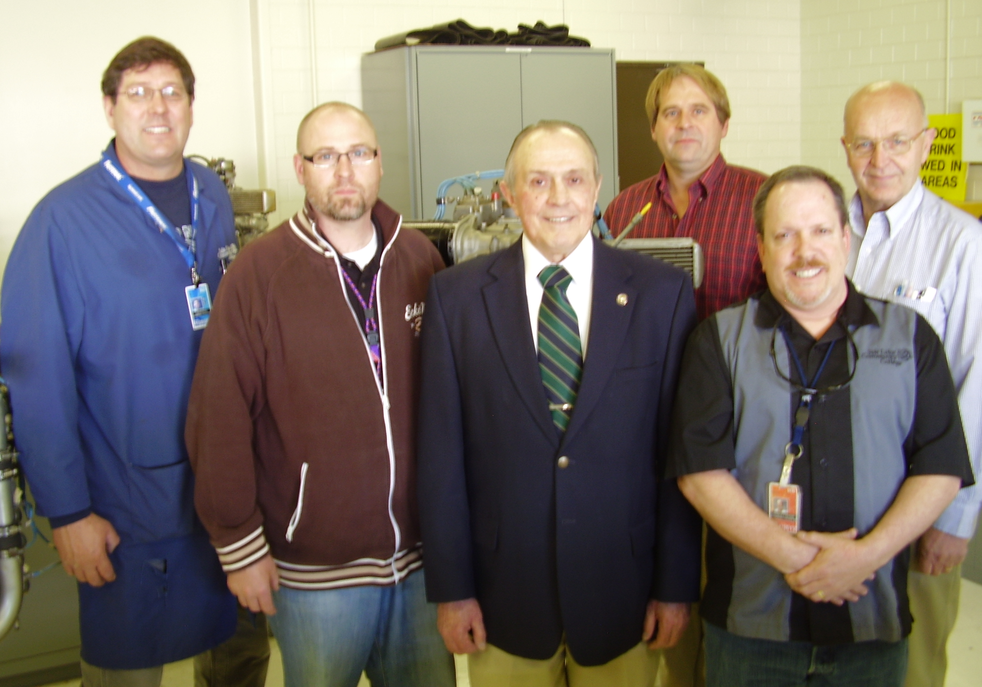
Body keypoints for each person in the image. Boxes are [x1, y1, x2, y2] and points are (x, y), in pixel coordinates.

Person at [0, 37, 269, 684]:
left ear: (192, 106)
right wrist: (66, 512)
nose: (158, 108)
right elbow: (37, 379)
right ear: (110, 107)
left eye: (172, 92)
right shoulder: (61, 221)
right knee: (129, 666)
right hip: (127, 502)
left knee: (239, 653)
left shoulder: (209, 192)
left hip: (224, 489)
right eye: (139, 92)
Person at [417, 120, 701, 686]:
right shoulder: (456, 297)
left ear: (597, 189)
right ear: (509, 193)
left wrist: (674, 587)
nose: (558, 198)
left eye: (574, 179)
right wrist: (452, 591)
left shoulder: (661, 296)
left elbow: (679, 457)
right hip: (503, 597)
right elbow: (440, 458)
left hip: (625, 590)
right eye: (539, 181)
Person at [670, 165, 973, 686]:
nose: (803, 252)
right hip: (751, 630)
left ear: (846, 240)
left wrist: (864, 558)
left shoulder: (909, 337)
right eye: (784, 235)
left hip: (871, 622)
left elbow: (941, 467)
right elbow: (700, 475)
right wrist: (799, 561)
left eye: (820, 232)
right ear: (761, 250)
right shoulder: (718, 341)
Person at [185, 102, 455, 687]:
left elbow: (453, 404)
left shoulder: (420, 260)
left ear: (379, 162)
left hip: (419, 564)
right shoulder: (259, 276)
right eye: (325, 156)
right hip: (314, 574)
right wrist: (239, 546)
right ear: (299, 169)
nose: (344, 171)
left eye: (358, 153)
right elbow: (218, 417)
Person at [840, 80, 982, 687]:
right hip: (833, 493)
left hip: (919, 496)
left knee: (914, 665)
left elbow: (975, 383)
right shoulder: (826, 229)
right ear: (845, 147)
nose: (881, 160)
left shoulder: (963, 244)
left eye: (897, 141)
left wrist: (957, 514)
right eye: (865, 143)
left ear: (926, 144)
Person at [603, 63, 767, 320]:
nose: (684, 124)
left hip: (733, 360)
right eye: (671, 113)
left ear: (724, 125)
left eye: (698, 111)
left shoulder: (766, 199)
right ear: (654, 129)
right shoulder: (623, 208)